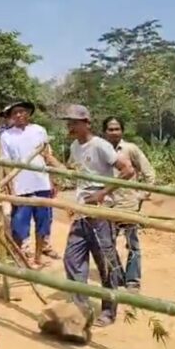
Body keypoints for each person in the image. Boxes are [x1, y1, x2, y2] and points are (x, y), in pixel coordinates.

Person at [59, 105, 133, 327]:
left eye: (75, 122)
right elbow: (78, 174)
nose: (70, 126)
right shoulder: (75, 146)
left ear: (87, 123)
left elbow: (127, 170)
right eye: (68, 122)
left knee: (105, 262)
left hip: (101, 214)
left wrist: (102, 193)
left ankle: (109, 311)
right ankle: (81, 307)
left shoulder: (100, 145)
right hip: (82, 212)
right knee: (72, 259)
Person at [0, 101, 60, 267]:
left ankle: (39, 256)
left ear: (29, 113)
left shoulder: (39, 131)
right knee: (19, 224)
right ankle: (20, 257)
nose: (19, 115)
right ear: (11, 116)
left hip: (41, 183)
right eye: (15, 113)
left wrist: (52, 180)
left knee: (43, 223)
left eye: (22, 111)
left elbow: (47, 156)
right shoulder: (6, 136)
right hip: (21, 185)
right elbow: (6, 163)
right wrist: (11, 188)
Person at [103, 116, 156, 292]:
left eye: (117, 129)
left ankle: (132, 280)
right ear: (105, 132)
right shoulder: (100, 149)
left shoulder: (130, 149)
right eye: (110, 129)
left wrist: (141, 195)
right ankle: (117, 276)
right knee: (107, 243)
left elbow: (149, 173)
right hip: (107, 205)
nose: (114, 132)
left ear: (122, 131)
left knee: (132, 244)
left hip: (128, 204)